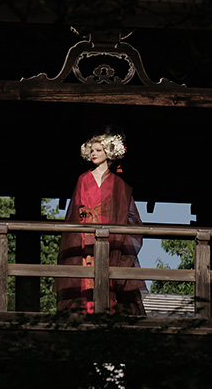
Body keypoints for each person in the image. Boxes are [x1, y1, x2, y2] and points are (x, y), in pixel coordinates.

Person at [55, 133, 146, 315]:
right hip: (85, 235)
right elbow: (75, 211)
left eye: (98, 150)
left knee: (109, 271)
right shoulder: (83, 179)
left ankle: (108, 310)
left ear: (109, 153)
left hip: (110, 237)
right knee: (85, 272)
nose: (94, 154)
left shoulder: (118, 184)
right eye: (92, 151)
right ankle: (85, 310)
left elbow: (129, 216)